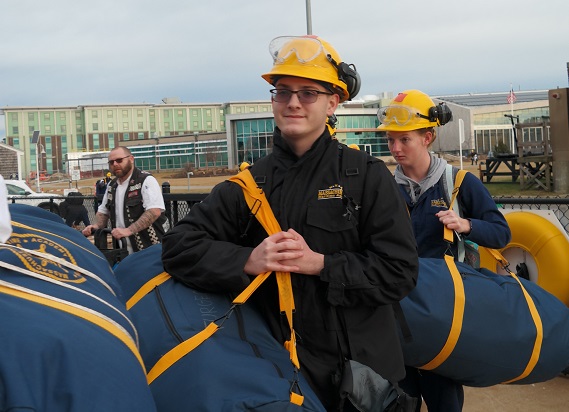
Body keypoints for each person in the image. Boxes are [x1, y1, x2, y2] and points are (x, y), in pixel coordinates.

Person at [161, 35, 419, 411]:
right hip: (280, 377)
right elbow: (178, 247)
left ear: (333, 102)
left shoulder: (367, 177)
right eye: (282, 92)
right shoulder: (249, 186)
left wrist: (322, 264)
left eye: (308, 93)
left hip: (364, 382)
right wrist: (249, 260)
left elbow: (400, 272)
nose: (293, 102)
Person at [378, 89, 512, 411]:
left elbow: (502, 233)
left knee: (443, 399)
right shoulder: (383, 189)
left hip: (444, 315)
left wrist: (467, 225)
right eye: (390, 140)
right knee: (400, 399)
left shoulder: (459, 183)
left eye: (404, 140)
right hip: (399, 314)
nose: (395, 149)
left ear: (428, 137)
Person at [82, 146, 166, 254]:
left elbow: (154, 211)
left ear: (131, 159)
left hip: (149, 249)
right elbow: (103, 211)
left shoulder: (146, 180)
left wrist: (128, 231)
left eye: (119, 160)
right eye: (111, 162)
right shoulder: (112, 186)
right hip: (123, 250)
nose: (115, 164)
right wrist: (96, 226)